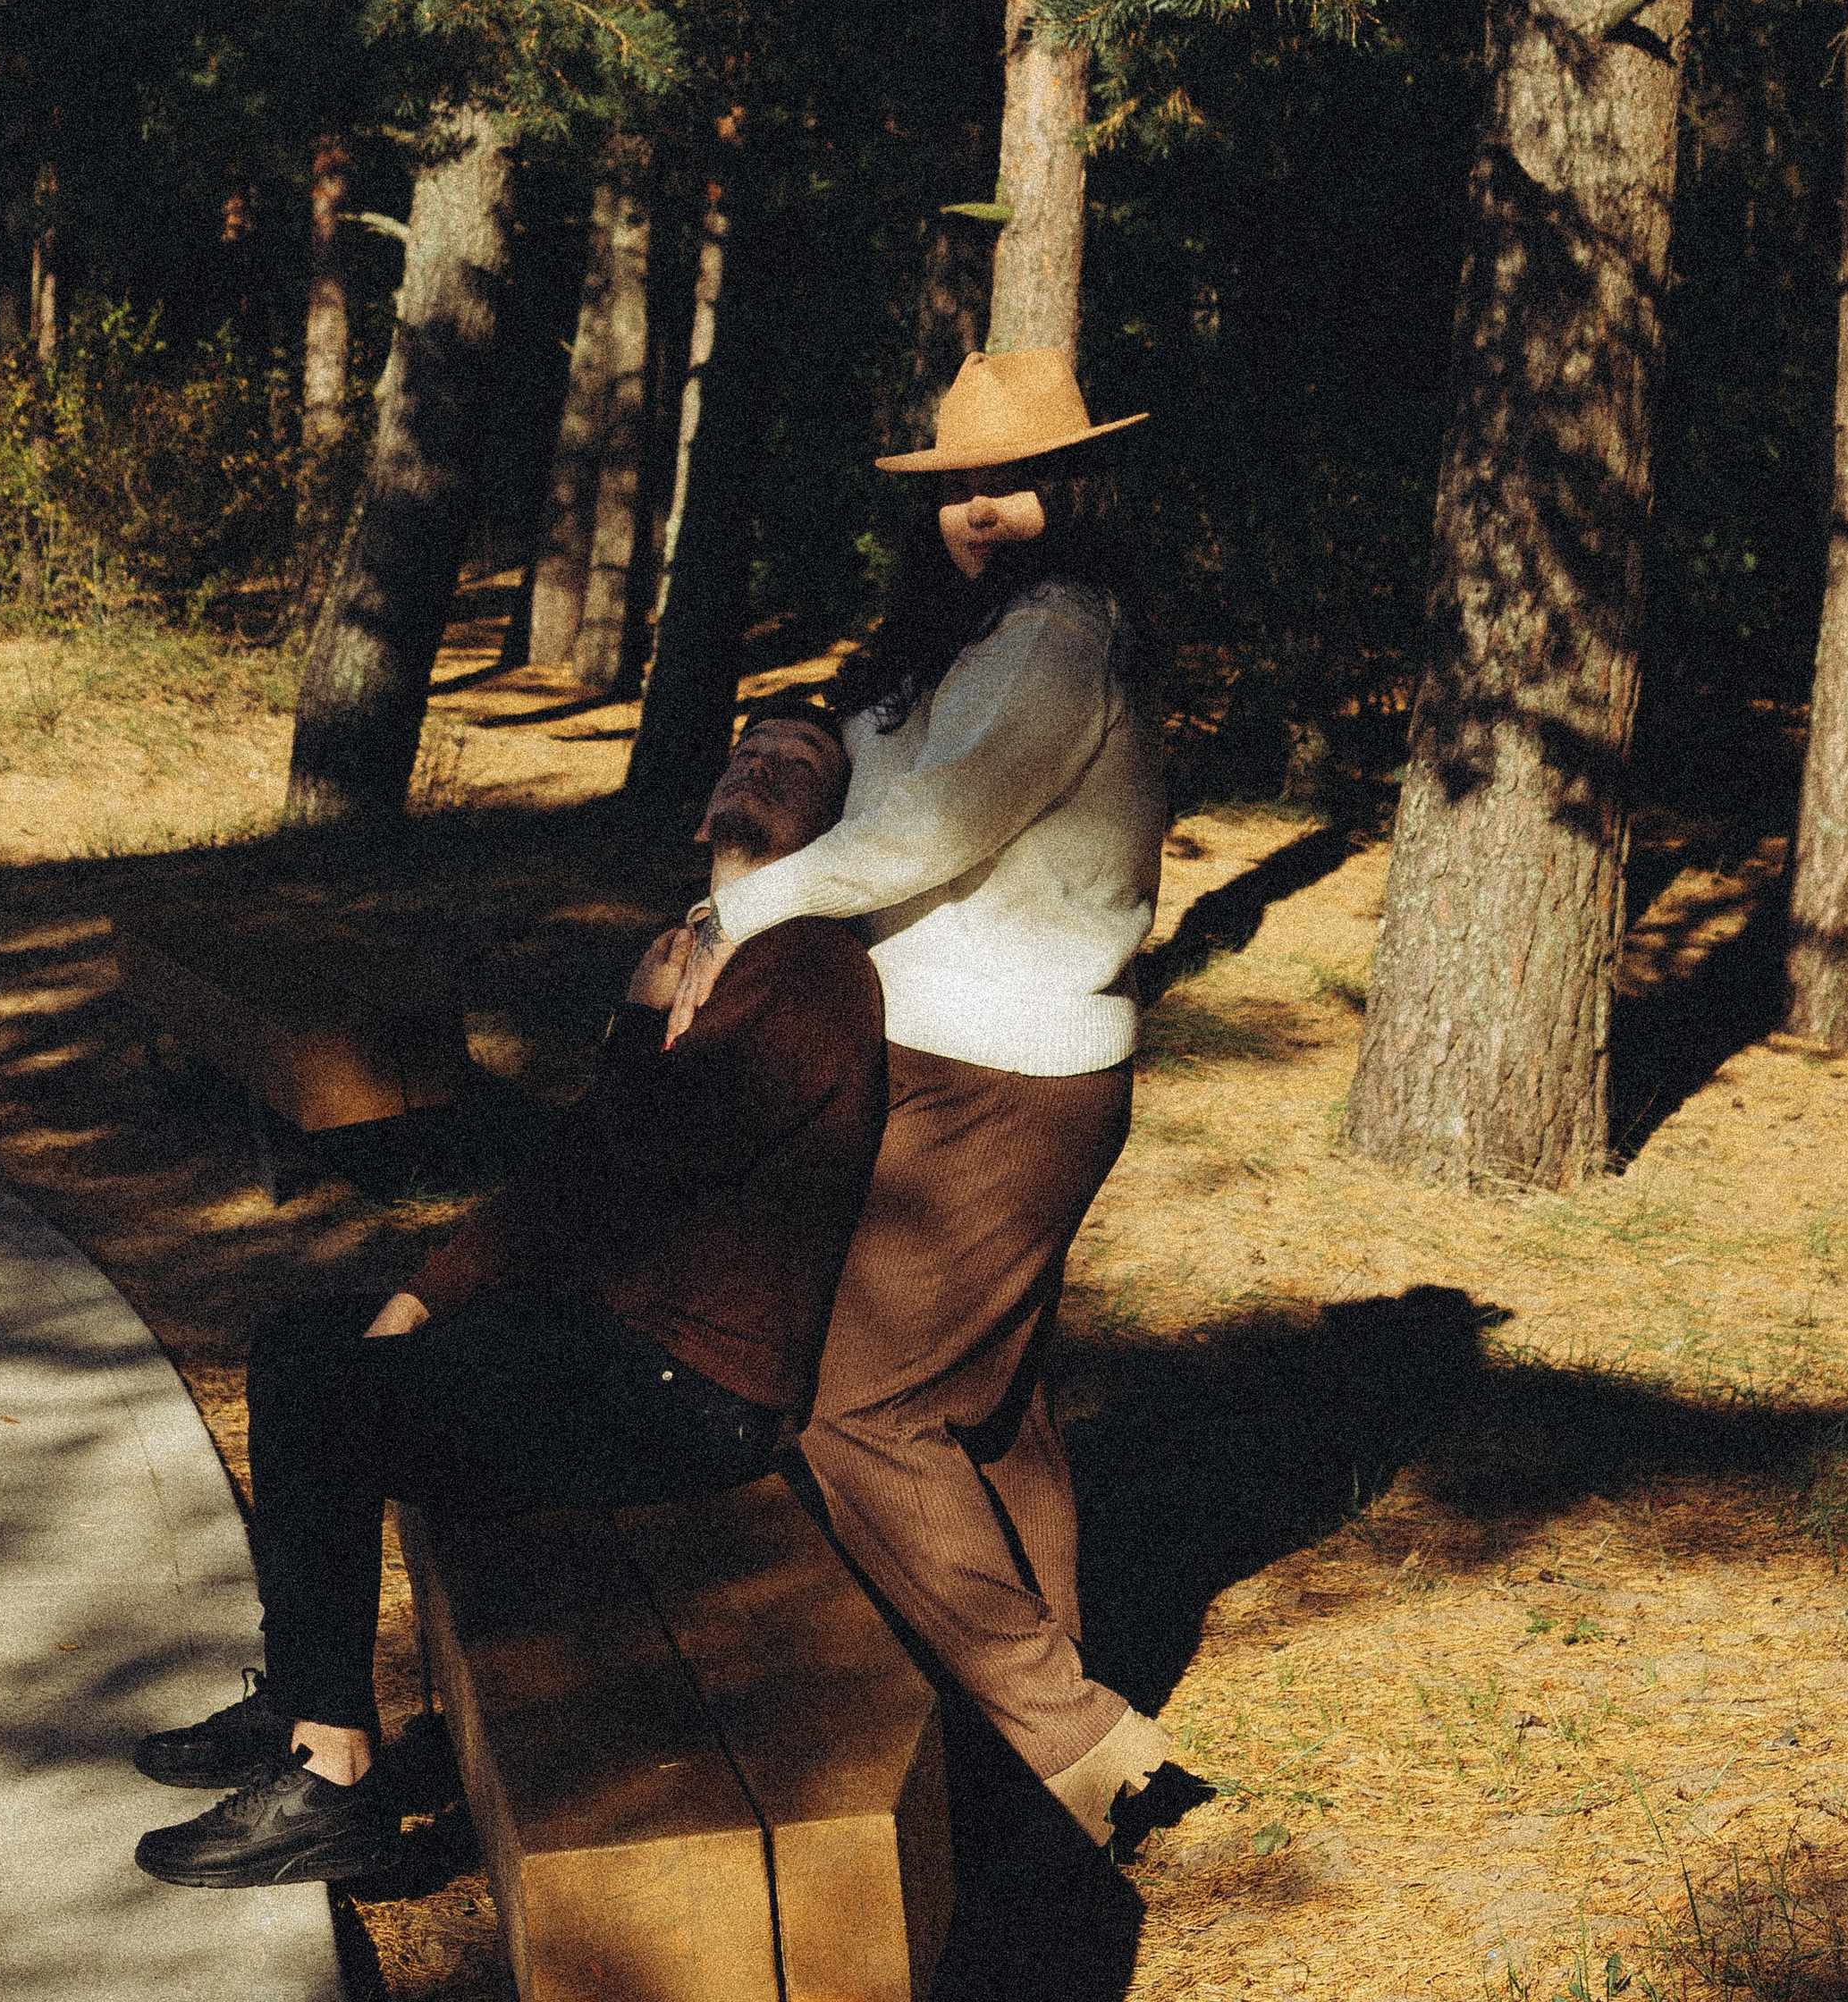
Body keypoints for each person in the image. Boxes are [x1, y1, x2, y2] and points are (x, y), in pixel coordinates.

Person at [130, 708, 873, 1893]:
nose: (760, 766)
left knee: (335, 1399)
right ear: (704, 809)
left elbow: (636, 1160)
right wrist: (430, 1294)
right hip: (613, 1338)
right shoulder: (713, 946)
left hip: (690, 1390)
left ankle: (332, 1776)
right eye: (745, 750)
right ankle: (301, 1701)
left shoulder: (810, 969)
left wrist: (636, 1026)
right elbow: (601, 1165)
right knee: (300, 1341)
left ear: (837, 828)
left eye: (798, 766)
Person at [666, 344, 1174, 1850]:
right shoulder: (981, 637)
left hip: (1007, 1071)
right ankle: (1028, 1752)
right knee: (986, 1409)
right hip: (964, 1056)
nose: (981, 509)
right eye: (960, 487)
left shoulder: (1056, 639)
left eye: (1014, 484)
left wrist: (729, 920)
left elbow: (927, 834)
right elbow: (882, 788)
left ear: (1076, 490)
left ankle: (1076, 1737)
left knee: (858, 1408)